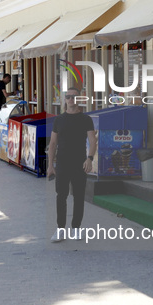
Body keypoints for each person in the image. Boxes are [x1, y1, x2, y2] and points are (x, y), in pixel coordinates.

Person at [47, 87, 97, 242]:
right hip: (62, 162)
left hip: (79, 163)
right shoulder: (59, 120)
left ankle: (76, 228)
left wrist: (89, 158)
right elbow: (53, 143)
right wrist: (50, 165)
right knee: (61, 196)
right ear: (65, 99)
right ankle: (60, 229)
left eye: (74, 97)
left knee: (79, 196)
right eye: (68, 96)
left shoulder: (85, 119)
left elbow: (92, 140)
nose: (71, 99)